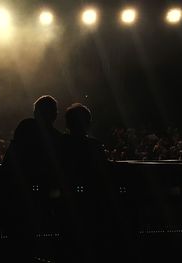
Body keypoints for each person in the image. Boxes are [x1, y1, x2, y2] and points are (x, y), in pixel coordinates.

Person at [0, 95, 63, 262]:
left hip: (18, 194)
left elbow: (11, 158)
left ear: (36, 113)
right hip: (44, 199)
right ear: (54, 115)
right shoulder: (58, 139)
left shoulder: (25, 127)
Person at [59, 103, 111, 262]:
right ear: (87, 123)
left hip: (67, 203)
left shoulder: (61, 144)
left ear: (68, 123)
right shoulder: (95, 146)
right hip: (94, 205)